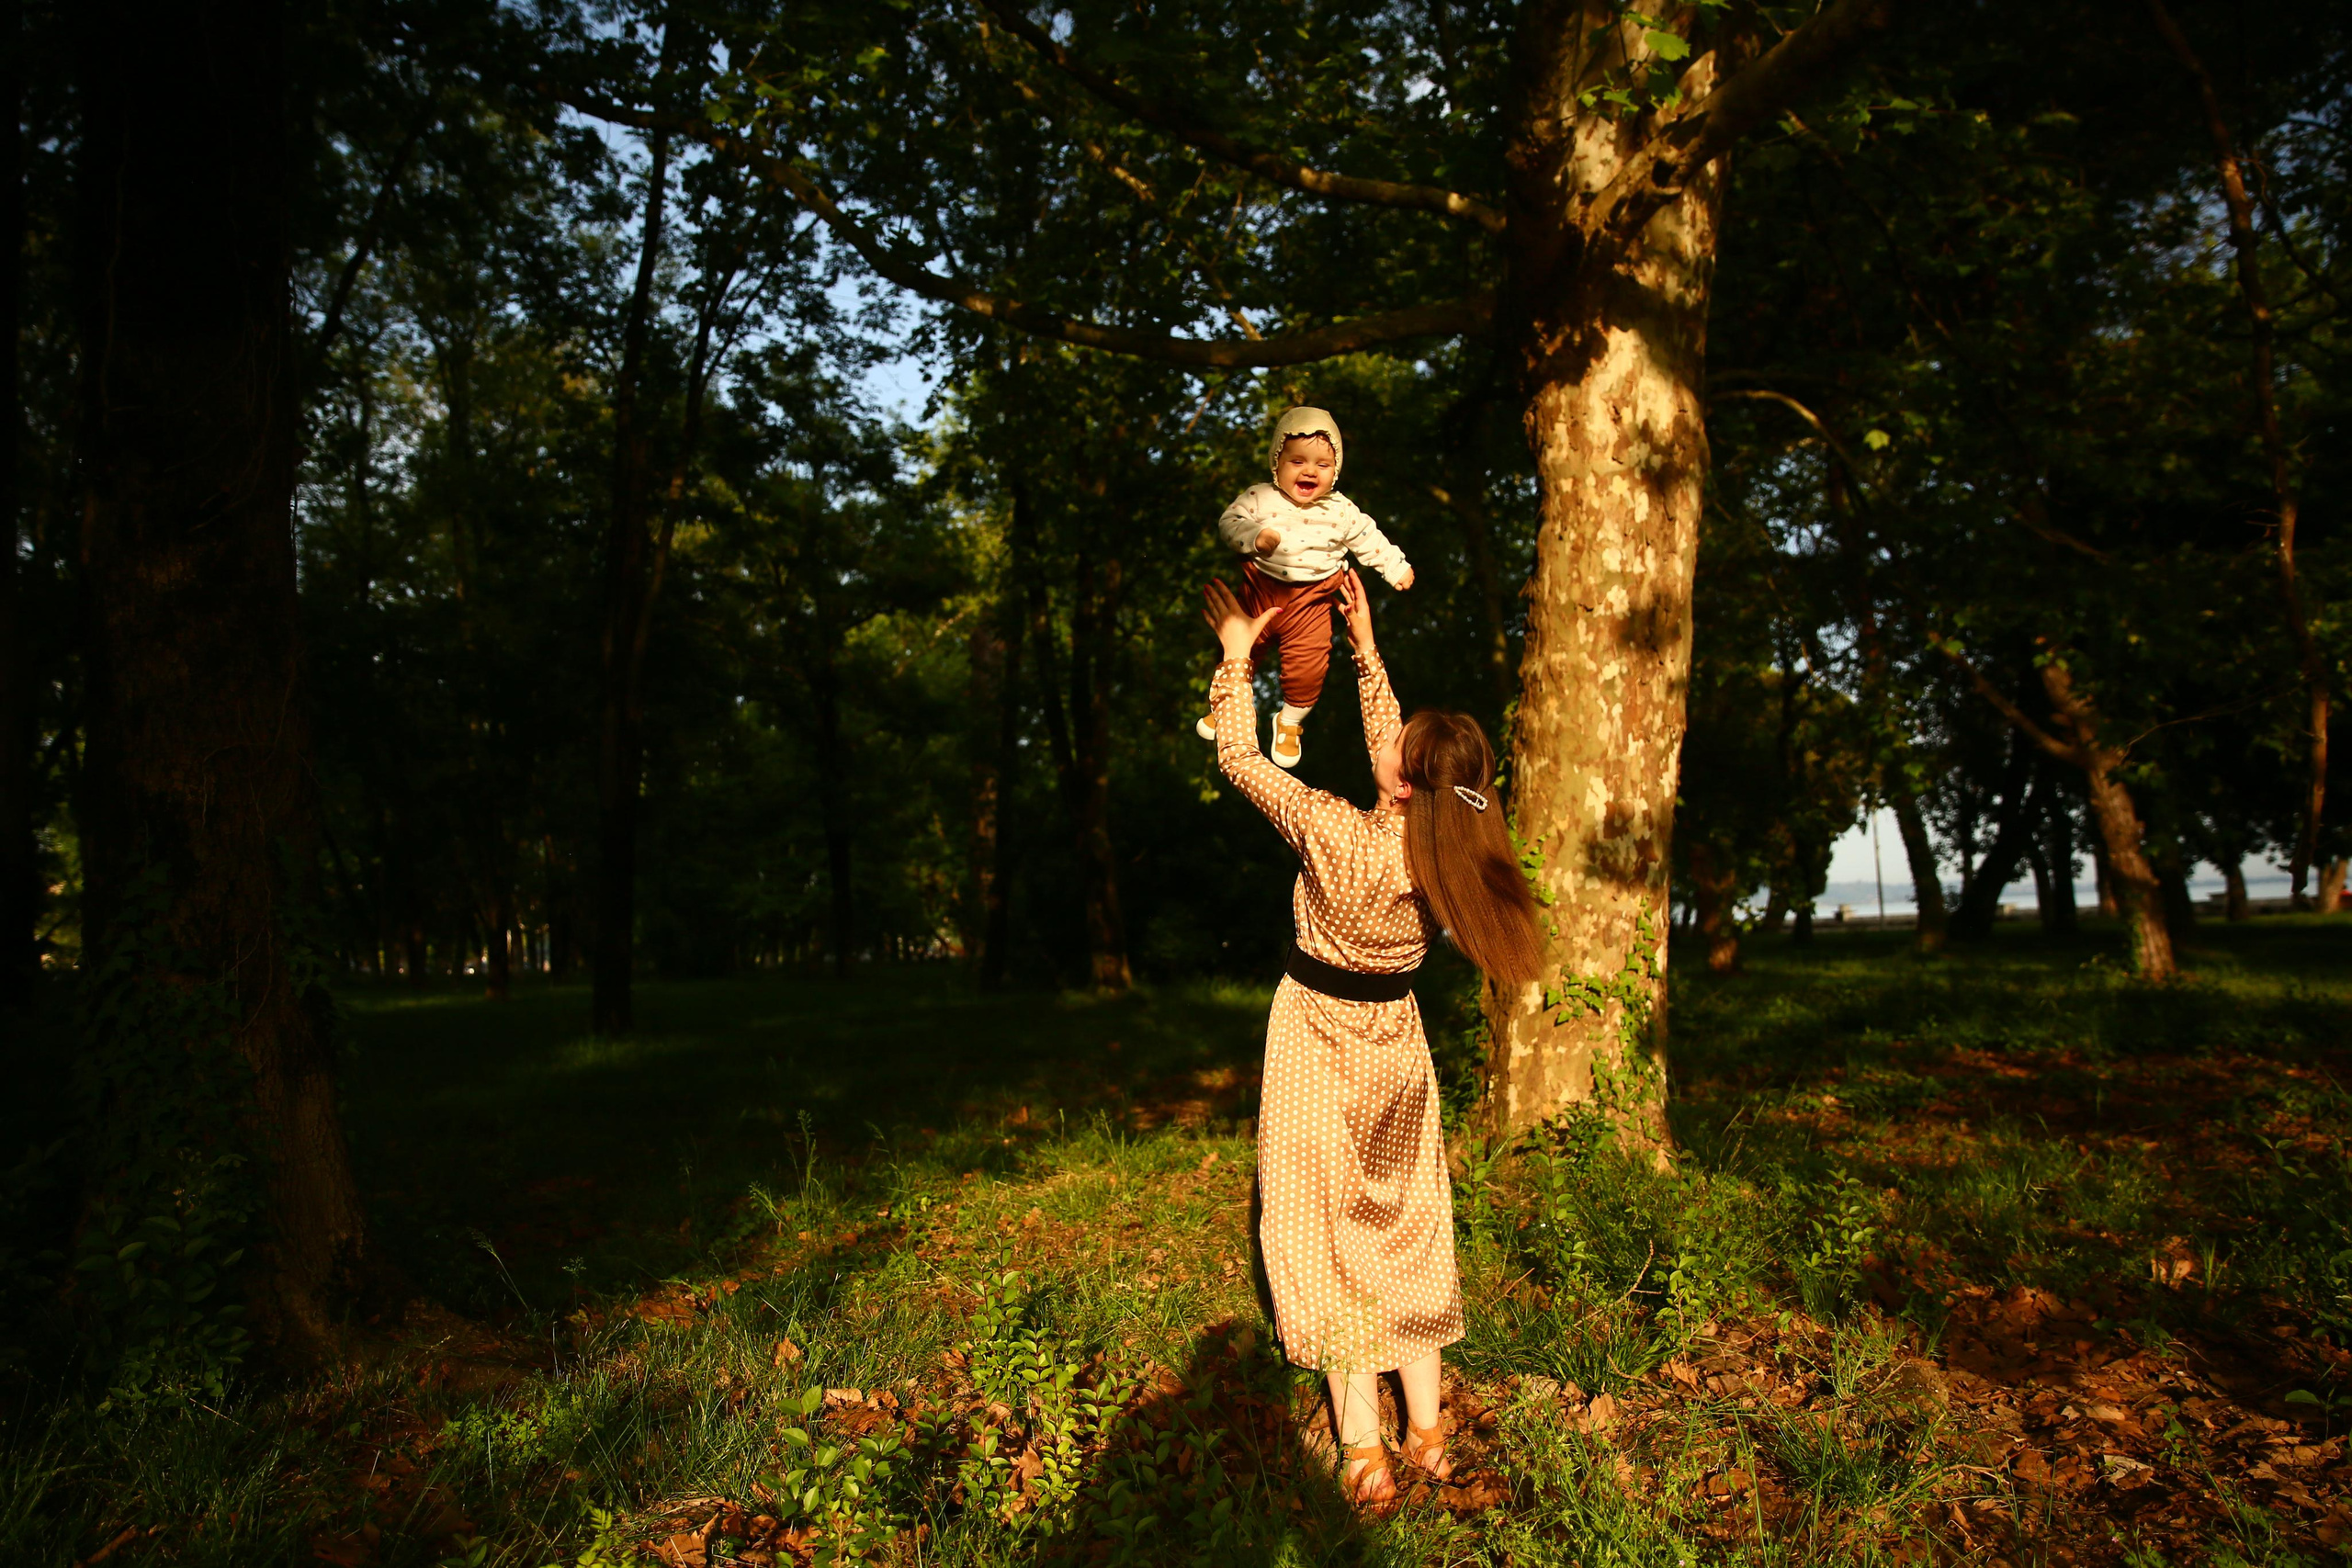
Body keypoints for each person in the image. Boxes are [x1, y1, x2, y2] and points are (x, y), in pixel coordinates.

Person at [1200, 568, 1544, 1512]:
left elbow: (1240, 762)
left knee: (1320, 1231)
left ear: (1403, 777)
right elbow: (1399, 749)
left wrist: (1237, 665)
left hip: (1315, 1034)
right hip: (1395, 1039)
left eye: (1398, 750)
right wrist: (1364, 647)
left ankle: (1362, 1450)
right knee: (1403, 1218)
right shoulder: (1456, 855)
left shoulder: (1333, 833)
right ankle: (1427, 1432)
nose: (1384, 747)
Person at [1194, 407, 1414, 769]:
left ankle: (1290, 722)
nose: (1309, 470)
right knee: (1238, 651)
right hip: (1261, 590)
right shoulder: (1261, 497)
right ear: (1276, 464)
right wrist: (1254, 537)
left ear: (1335, 471)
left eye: (1322, 465)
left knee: (1309, 668)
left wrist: (1395, 566)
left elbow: (1368, 538)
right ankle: (1225, 704)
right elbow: (1229, 521)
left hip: (1312, 601)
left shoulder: (1341, 510)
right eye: (1297, 461)